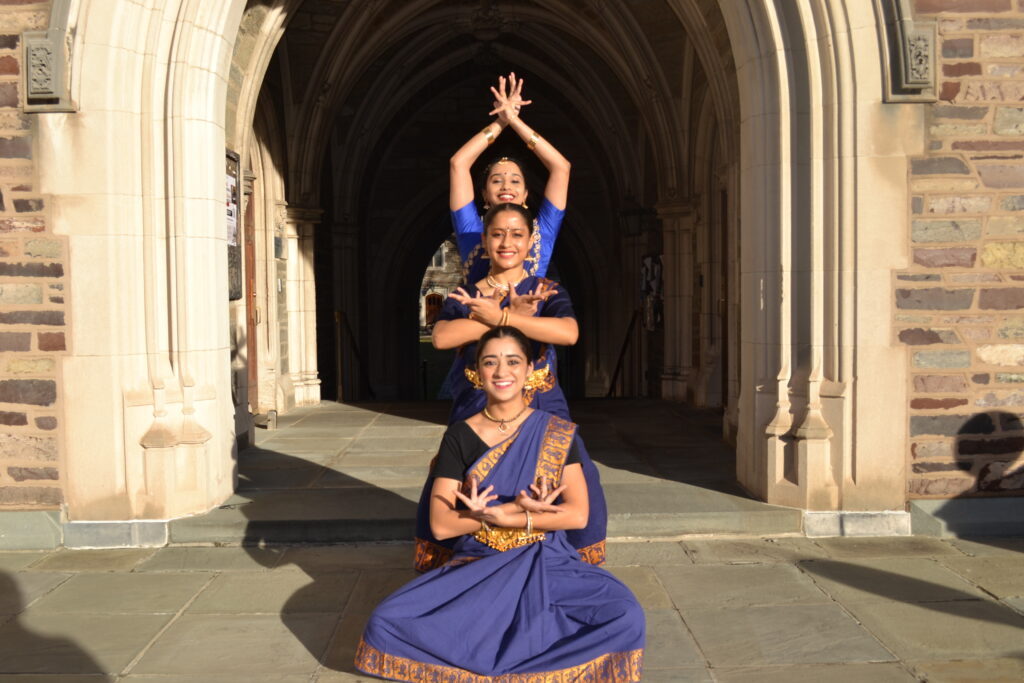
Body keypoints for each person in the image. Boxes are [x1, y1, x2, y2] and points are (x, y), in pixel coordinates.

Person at [356, 326, 645, 682]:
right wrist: (497, 517)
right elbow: (442, 524)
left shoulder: (556, 432)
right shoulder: (460, 435)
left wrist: (510, 516)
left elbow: (577, 514)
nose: (502, 372)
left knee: (624, 614)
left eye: (513, 361)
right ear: (476, 373)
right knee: (387, 622)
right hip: (480, 561)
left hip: (547, 559)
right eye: (490, 362)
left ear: (530, 371)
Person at [415, 203, 607, 572]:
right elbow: (441, 337)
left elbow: (568, 332)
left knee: (577, 473)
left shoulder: (546, 290)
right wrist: (508, 318)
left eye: (517, 234)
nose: (507, 242)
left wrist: (501, 317)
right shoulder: (467, 292)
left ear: (530, 241)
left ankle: (561, 560)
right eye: (497, 234)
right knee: (458, 478)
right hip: (479, 404)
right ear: (484, 242)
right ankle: (468, 560)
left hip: (542, 404)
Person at [450, 72, 570, 283]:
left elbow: (561, 167)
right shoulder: (471, 232)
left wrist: (514, 120)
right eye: (496, 180)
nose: (506, 186)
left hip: (528, 316)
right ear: (485, 194)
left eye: (515, 181)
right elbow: (458, 163)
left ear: (525, 194)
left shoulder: (541, 233)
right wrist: (501, 121)